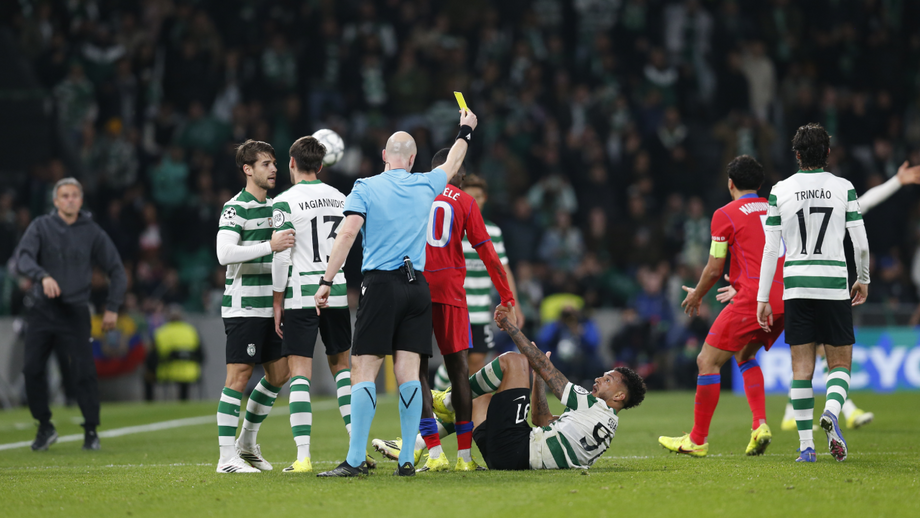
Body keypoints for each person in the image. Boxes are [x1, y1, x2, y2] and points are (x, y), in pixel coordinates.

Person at [315, 109, 478, 477]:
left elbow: (347, 234)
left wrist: (326, 280)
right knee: (408, 373)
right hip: (417, 288)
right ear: (414, 159)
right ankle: (407, 458)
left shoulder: (366, 186)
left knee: (364, 370)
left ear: (385, 157)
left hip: (382, 285)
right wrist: (466, 130)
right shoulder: (426, 184)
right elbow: (453, 160)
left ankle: (355, 460)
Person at [775, 159, 920, 431]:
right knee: (829, 355)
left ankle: (794, 413)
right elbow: (865, 203)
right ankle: (843, 410)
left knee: (813, 353)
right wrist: (896, 182)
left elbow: (768, 248)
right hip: (825, 285)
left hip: (792, 286)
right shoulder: (836, 197)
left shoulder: (785, 201)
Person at [757, 123, 870, 463]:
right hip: (833, 285)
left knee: (801, 368)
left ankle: (806, 447)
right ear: (828, 154)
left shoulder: (779, 190)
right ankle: (832, 412)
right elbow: (860, 244)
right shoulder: (843, 188)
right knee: (839, 363)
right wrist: (862, 277)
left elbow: (770, 250)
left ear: (797, 155)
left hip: (796, 288)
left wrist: (763, 297)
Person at [658, 155, 785, 457]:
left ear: (730, 184)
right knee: (744, 354)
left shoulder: (724, 214)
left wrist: (697, 295)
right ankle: (760, 426)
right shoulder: (775, 208)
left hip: (754, 298)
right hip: (783, 298)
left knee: (706, 360)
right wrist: (742, 284)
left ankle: (698, 439)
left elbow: (714, 268)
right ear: (760, 185)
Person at [407, 149, 516, 473]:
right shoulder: (465, 201)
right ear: (461, 176)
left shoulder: (413, 192)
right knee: (459, 372)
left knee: (416, 370)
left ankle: (434, 452)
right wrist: (507, 296)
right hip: (452, 294)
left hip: (415, 290)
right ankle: (464, 458)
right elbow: (489, 254)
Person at [270, 135, 374, 472]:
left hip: (301, 293)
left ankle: (302, 457)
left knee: (299, 372)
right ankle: (356, 450)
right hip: (337, 290)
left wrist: (276, 299)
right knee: (341, 368)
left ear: (292, 164)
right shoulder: (340, 198)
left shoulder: (284, 202)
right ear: (321, 165)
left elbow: (282, 257)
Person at [442, 309, 645, 470]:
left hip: (515, 449)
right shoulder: (606, 426)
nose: (599, 379)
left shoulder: (591, 405)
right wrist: (538, 379)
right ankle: (423, 442)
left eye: (608, 380)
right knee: (481, 398)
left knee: (515, 361)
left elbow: (545, 366)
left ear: (619, 396)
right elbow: (542, 420)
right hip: (505, 459)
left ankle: (447, 400)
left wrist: (510, 326)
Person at [16, 177, 127, 451]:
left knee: (84, 372)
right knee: (31, 369)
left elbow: (117, 271)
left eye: (74, 195)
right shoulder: (41, 226)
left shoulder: (92, 231)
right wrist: (42, 276)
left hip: (75, 311)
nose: (69, 200)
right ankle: (44, 426)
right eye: (64, 196)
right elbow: (23, 257)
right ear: (55, 201)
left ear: (80, 200)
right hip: (42, 310)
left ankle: (91, 431)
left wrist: (112, 307)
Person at [214, 139, 296, 474]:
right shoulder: (235, 207)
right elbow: (224, 254)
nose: (273, 168)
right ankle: (225, 458)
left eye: (274, 163)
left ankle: (246, 443)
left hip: (271, 308)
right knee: (239, 376)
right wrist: (269, 245)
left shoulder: (277, 207)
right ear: (247, 169)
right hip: (243, 307)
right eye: (265, 164)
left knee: (280, 374)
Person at [432, 174, 522, 388]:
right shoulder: (450, 228)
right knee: (457, 359)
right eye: (469, 195)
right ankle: (439, 394)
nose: (474, 200)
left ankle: (462, 411)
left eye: (478, 196)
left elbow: (504, 269)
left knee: (477, 361)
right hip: (455, 305)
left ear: (484, 199)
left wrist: (513, 304)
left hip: (481, 309)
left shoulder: (493, 232)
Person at [148, 304, 202, 401]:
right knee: (185, 379)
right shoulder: (191, 331)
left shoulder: (161, 332)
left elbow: (152, 358)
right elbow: (201, 355)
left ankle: (150, 402)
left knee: (147, 375)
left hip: (168, 371)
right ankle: (185, 401)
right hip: (190, 372)